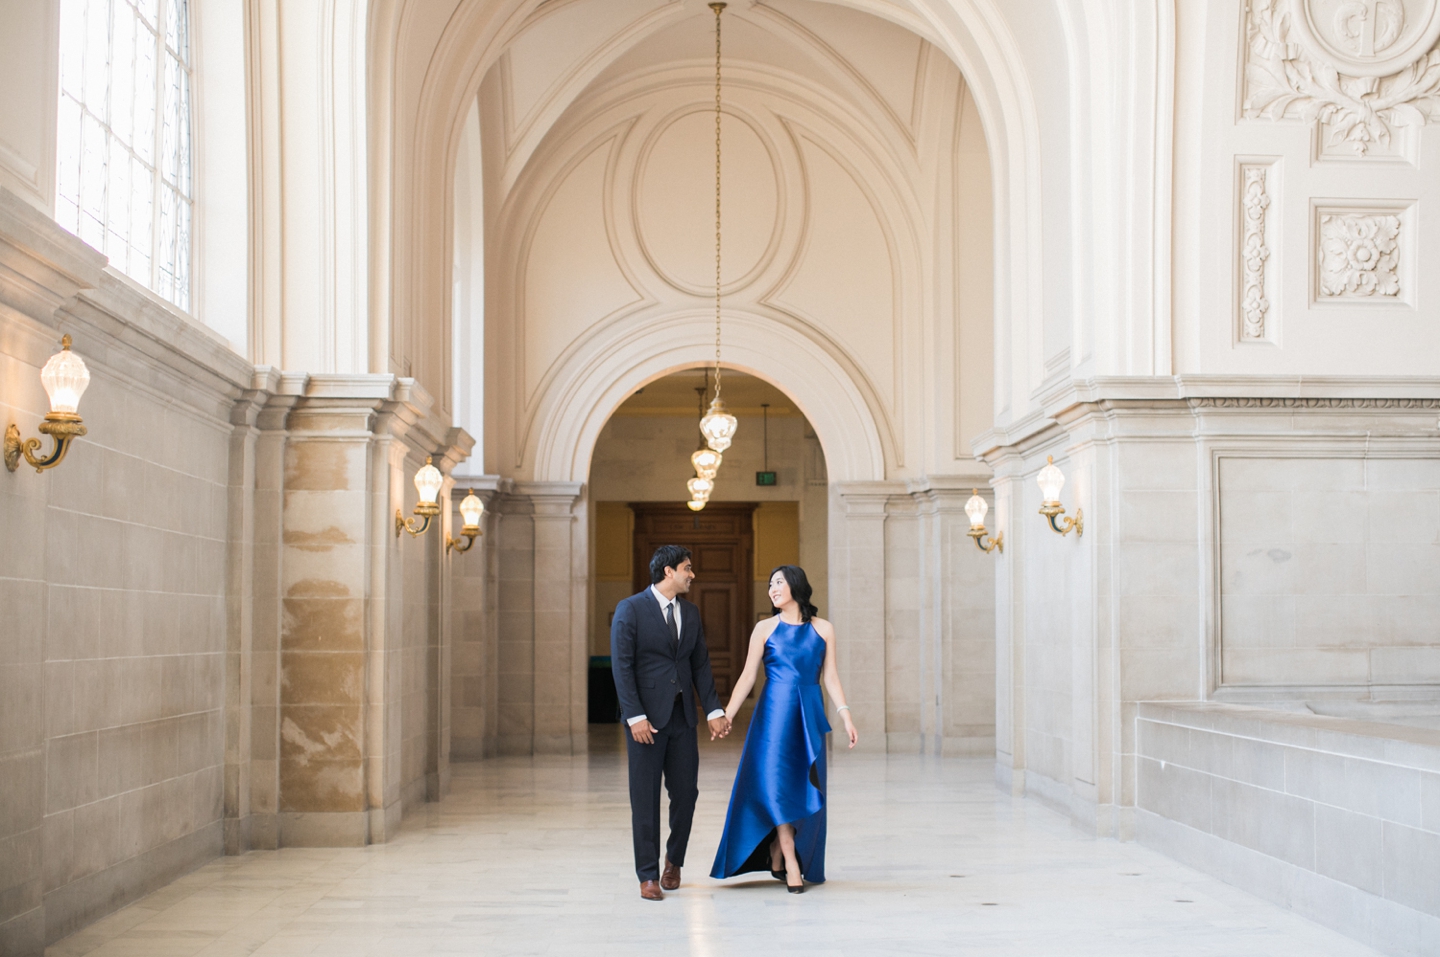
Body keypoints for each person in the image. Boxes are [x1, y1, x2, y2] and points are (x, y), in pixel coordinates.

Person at [710, 565, 857, 893]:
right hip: (773, 716)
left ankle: (779, 849)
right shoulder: (764, 628)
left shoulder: (824, 629)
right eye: (770, 585)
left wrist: (845, 715)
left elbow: (830, 676)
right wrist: (727, 715)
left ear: (795, 585)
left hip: (809, 716)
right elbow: (748, 676)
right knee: (775, 787)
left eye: (778, 583)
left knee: (804, 787)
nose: (772, 590)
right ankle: (790, 859)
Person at [610, 544, 732, 901]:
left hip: (681, 718)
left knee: (686, 795)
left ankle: (673, 860)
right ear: (668, 572)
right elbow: (622, 668)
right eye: (687, 568)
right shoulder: (630, 609)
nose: (692, 575)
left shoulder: (691, 613)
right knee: (644, 798)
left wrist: (713, 710)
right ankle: (647, 874)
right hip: (644, 722)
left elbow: (701, 665)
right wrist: (635, 717)